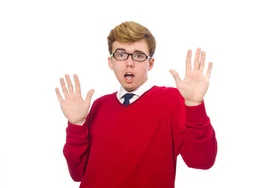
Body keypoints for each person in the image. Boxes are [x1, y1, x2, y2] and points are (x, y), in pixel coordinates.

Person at [55, 21, 218, 188]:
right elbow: (77, 173)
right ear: (111, 62)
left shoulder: (172, 100)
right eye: (121, 54)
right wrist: (76, 125)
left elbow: (202, 161)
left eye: (139, 55)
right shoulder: (99, 106)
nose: (129, 62)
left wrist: (194, 105)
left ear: (151, 63)